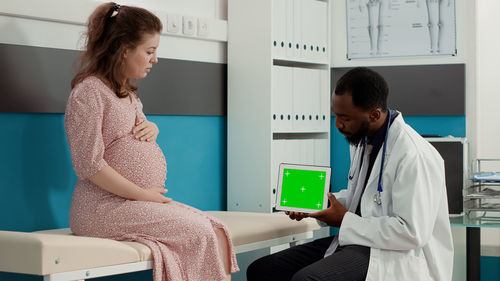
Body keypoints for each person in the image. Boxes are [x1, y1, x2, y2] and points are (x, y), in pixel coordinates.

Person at [64, 3, 239, 281]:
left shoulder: (128, 95)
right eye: (150, 51)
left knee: (216, 229)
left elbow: (131, 133)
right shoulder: (89, 93)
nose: (155, 59)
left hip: (131, 203)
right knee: (198, 232)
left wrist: (153, 128)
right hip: (101, 208)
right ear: (124, 49)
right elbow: (89, 165)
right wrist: (144, 194)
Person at [247, 67, 454, 281]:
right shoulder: (363, 139)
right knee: (263, 269)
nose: (338, 125)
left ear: (374, 114)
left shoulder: (414, 155)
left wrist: (343, 220)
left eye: (345, 118)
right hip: (362, 241)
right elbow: (366, 199)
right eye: (336, 115)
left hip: (397, 254)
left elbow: (412, 232)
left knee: (307, 280)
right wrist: (320, 204)